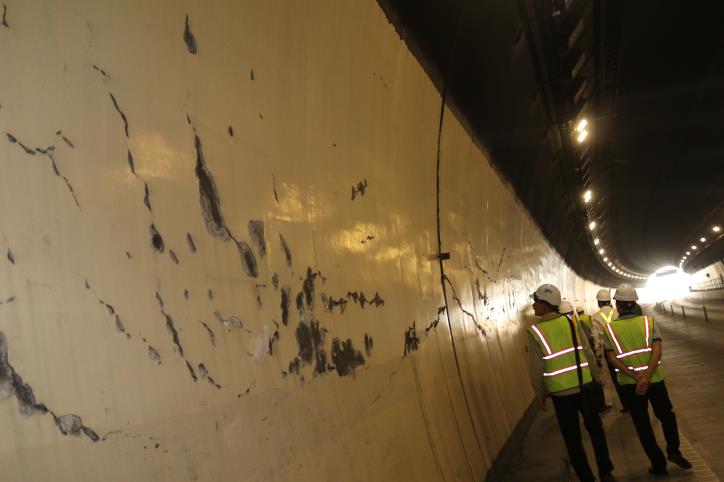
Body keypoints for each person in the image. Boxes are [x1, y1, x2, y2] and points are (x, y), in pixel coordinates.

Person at [528, 284, 614, 481]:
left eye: (536, 301)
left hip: (561, 394)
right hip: (585, 387)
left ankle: (586, 477)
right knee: (596, 431)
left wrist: (539, 393)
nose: (533, 306)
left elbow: (536, 367)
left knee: (572, 439)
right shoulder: (571, 323)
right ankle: (605, 471)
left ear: (545, 304)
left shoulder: (535, 331)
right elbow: (588, 352)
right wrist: (597, 378)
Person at [604, 283, 692, 476]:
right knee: (666, 415)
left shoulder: (610, 329)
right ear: (634, 303)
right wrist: (647, 376)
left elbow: (612, 358)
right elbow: (657, 351)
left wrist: (636, 377)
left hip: (630, 384)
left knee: (642, 424)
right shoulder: (648, 322)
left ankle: (658, 464)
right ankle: (674, 450)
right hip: (655, 380)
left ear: (617, 305)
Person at [590, 289, 626, 412]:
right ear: (609, 301)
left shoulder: (595, 317)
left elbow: (596, 339)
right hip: (622, 347)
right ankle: (632, 400)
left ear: (598, 302)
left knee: (616, 377)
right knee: (627, 372)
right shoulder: (617, 313)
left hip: (609, 351)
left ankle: (625, 404)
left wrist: (599, 356)